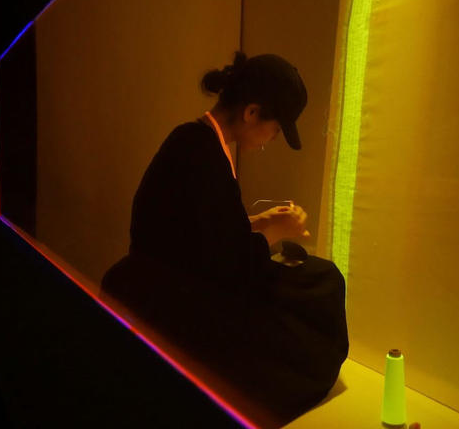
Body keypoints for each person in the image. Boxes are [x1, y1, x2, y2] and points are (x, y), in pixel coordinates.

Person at [100, 51, 348, 427]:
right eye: (275, 130)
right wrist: (277, 231)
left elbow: (200, 231)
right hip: (175, 295)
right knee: (322, 284)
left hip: (174, 277)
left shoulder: (195, 141)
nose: (270, 140)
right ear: (252, 112)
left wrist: (262, 221)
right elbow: (226, 263)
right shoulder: (202, 152)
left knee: (316, 277)